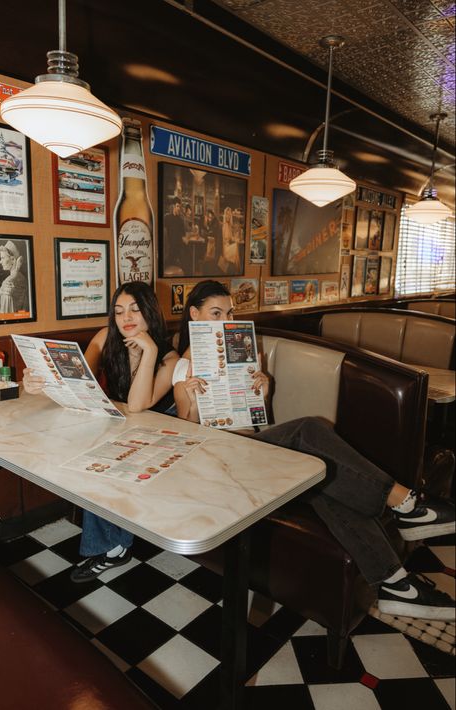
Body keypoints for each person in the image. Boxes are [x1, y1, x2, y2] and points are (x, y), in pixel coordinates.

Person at [173, 280, 455, 621]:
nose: (224, 320)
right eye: (215, 313)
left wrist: (262, 392)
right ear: (194, 314)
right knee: (310, 429)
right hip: (220, 457)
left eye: (230, 312)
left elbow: (259, 422)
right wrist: (189, 398)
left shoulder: (245, 349)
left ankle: (397, 585)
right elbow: (185, 431)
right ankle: (405, 503)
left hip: (253, 448)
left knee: (322, 478)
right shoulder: (185, 363)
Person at [23, 282, 179, 583]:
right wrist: (39, 384)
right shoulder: (108, 337)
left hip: (162, 428)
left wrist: (149, 350)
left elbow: (137, 405)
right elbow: (76, 378)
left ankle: (115, 548)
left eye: (135, 309)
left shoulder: (169, 358)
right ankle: (111, 541)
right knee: (84, 450)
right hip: (124, 424)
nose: (126, 317)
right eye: (119, 311)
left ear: (150, 312)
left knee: (102, 457)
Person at [0, 240, 29, 313]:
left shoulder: (9, 282)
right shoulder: (18, 277)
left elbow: (6, 313)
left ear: (12, 259)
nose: (0, 261)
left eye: (3, 258)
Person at [164, 197, 187, 272]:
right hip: (169, 250)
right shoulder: (167, 218)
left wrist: (186, 239)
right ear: (173, 206)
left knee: (184, 265)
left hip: (178, 250)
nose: (179, 208)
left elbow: (183, 235)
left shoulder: (180, 220)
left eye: (180, 207)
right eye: (177, 206)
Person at [220, 206, 240, 274]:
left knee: (236, 248)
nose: (228, 216)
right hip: (225, 250)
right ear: (225, 215)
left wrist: (236, 238)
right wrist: (223, 254)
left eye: (229, 214)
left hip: (228, 247)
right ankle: (237, 271)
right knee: (236, 248)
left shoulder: (229, 225)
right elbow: (223, 241)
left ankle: (236, 270)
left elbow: (231, 238)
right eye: (227, 214)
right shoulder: (225, 225)